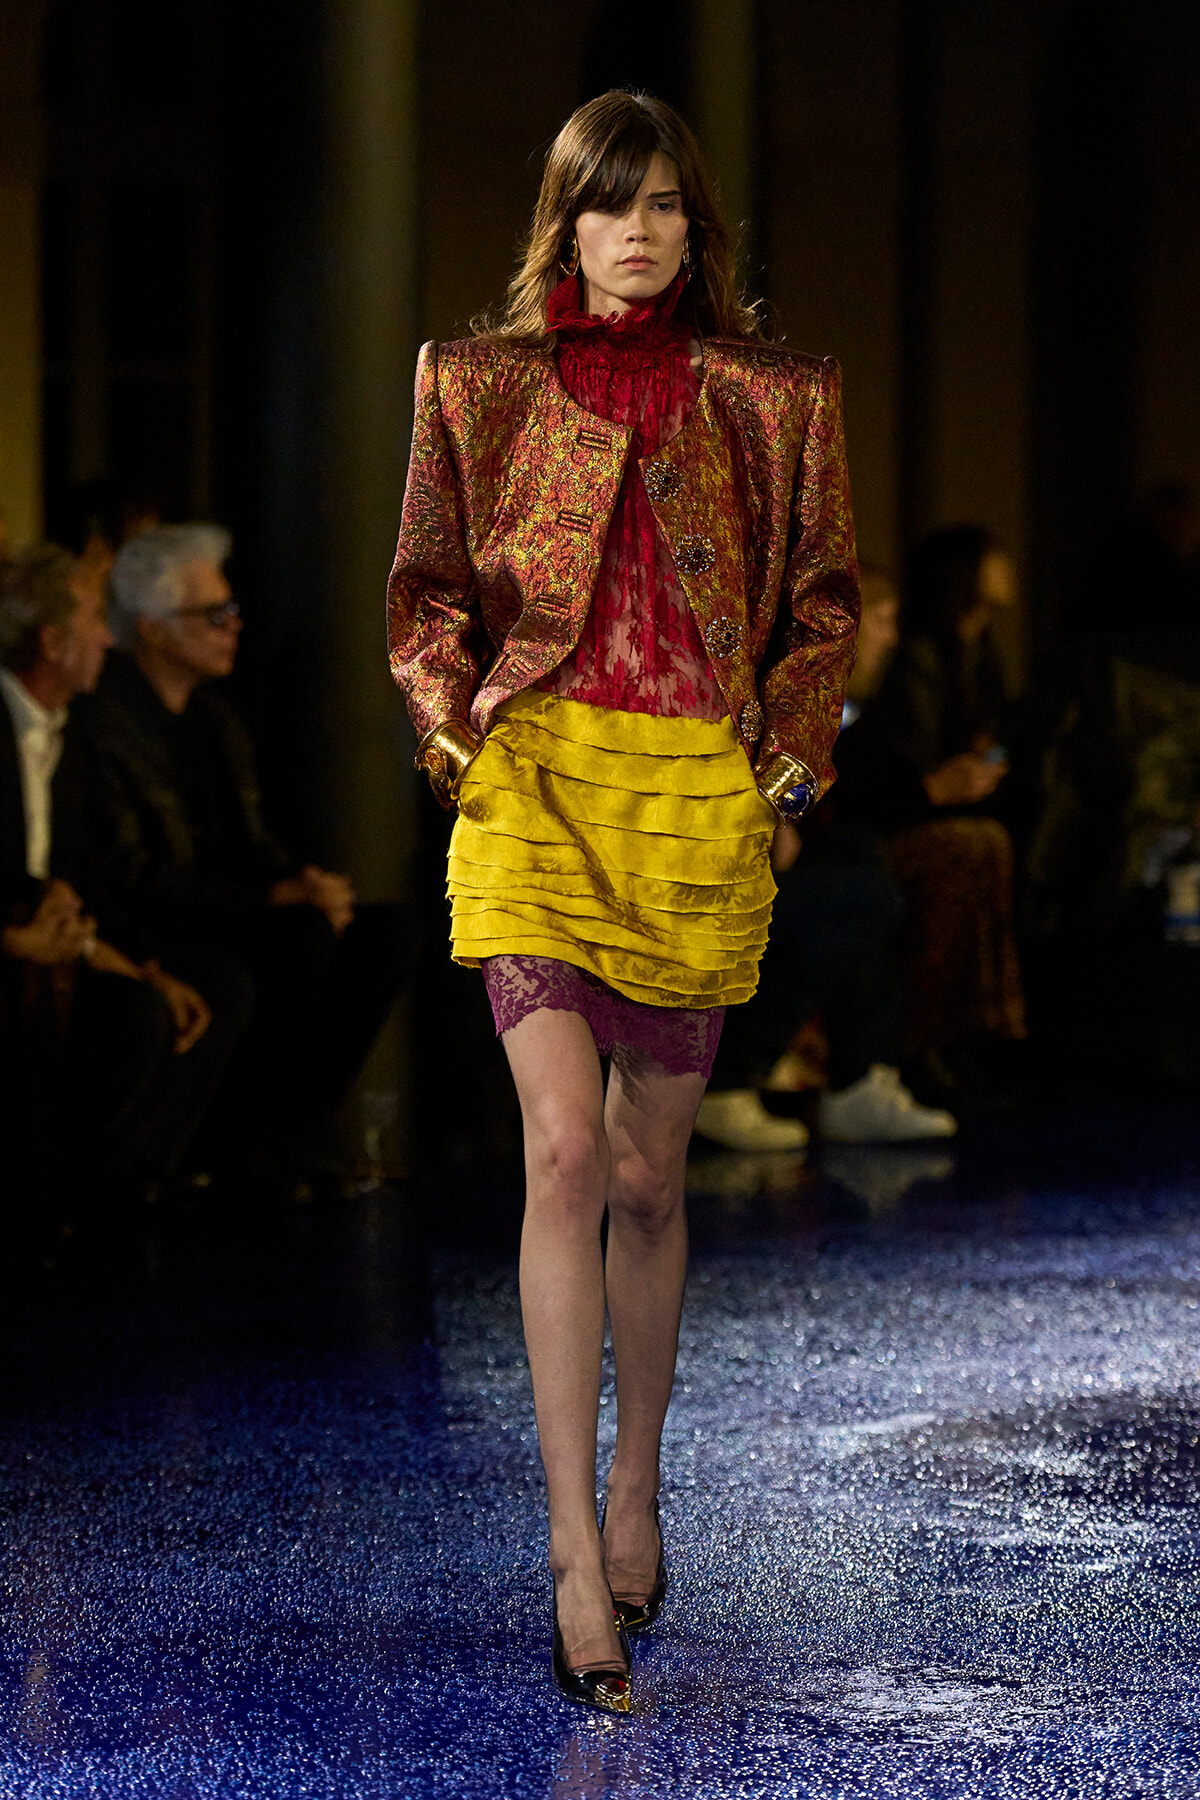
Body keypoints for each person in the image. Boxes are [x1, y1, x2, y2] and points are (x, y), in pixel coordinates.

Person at [387, 91, 859, 1710]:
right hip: (534, 790)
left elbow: (819, 605)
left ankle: (642, 1478)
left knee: (653, 1177)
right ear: (563, 223)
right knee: (566, 1151)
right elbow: (429, 591)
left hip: (689, 798)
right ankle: (573, 1552)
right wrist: (459, 749)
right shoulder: (478, 385)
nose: (638, 229)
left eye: (661, 204)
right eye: (607, 204)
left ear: (694, 224)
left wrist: (781, 778)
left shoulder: (775, 395)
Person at [71, 525, 407, 1187]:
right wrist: (272, 898)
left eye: (232, 609)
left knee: (386, 933)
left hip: (229, 910)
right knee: (294, 943)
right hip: (159, 921)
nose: (234, 625)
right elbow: (125, 874)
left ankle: (289, 1133)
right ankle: (239, 1150)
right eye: (214, 614)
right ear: (156, 629)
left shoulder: (215, 721)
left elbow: (253, 844)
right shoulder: (101, 724)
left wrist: (302, 881)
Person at [0, 547, 250, 1201]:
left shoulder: (68, 731)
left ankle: (119, 1186)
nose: (108, 639)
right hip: (21, 941)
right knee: (129, 1012)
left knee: (193, 992)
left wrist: (123, 957)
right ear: (53, 642)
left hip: (55, 935)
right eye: (92, 622)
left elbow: (75, 874)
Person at [697, 570, 957, 1145]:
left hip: (780, 869)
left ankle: (862, 1079)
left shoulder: (848, 707)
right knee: (862, 896)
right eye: (883, 622)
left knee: (864, 880)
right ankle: (729, 1080)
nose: (891, 639)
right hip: (716, 874)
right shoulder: (774, 695)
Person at [835, 526, 1026, 1093]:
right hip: (879, 831)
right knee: (972, 847)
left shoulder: (979, 653)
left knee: (992, 842)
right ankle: (927, 1044)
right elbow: (874, 780)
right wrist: (934, 788)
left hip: (900, 820)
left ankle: (975, 1036)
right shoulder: (917, 659)